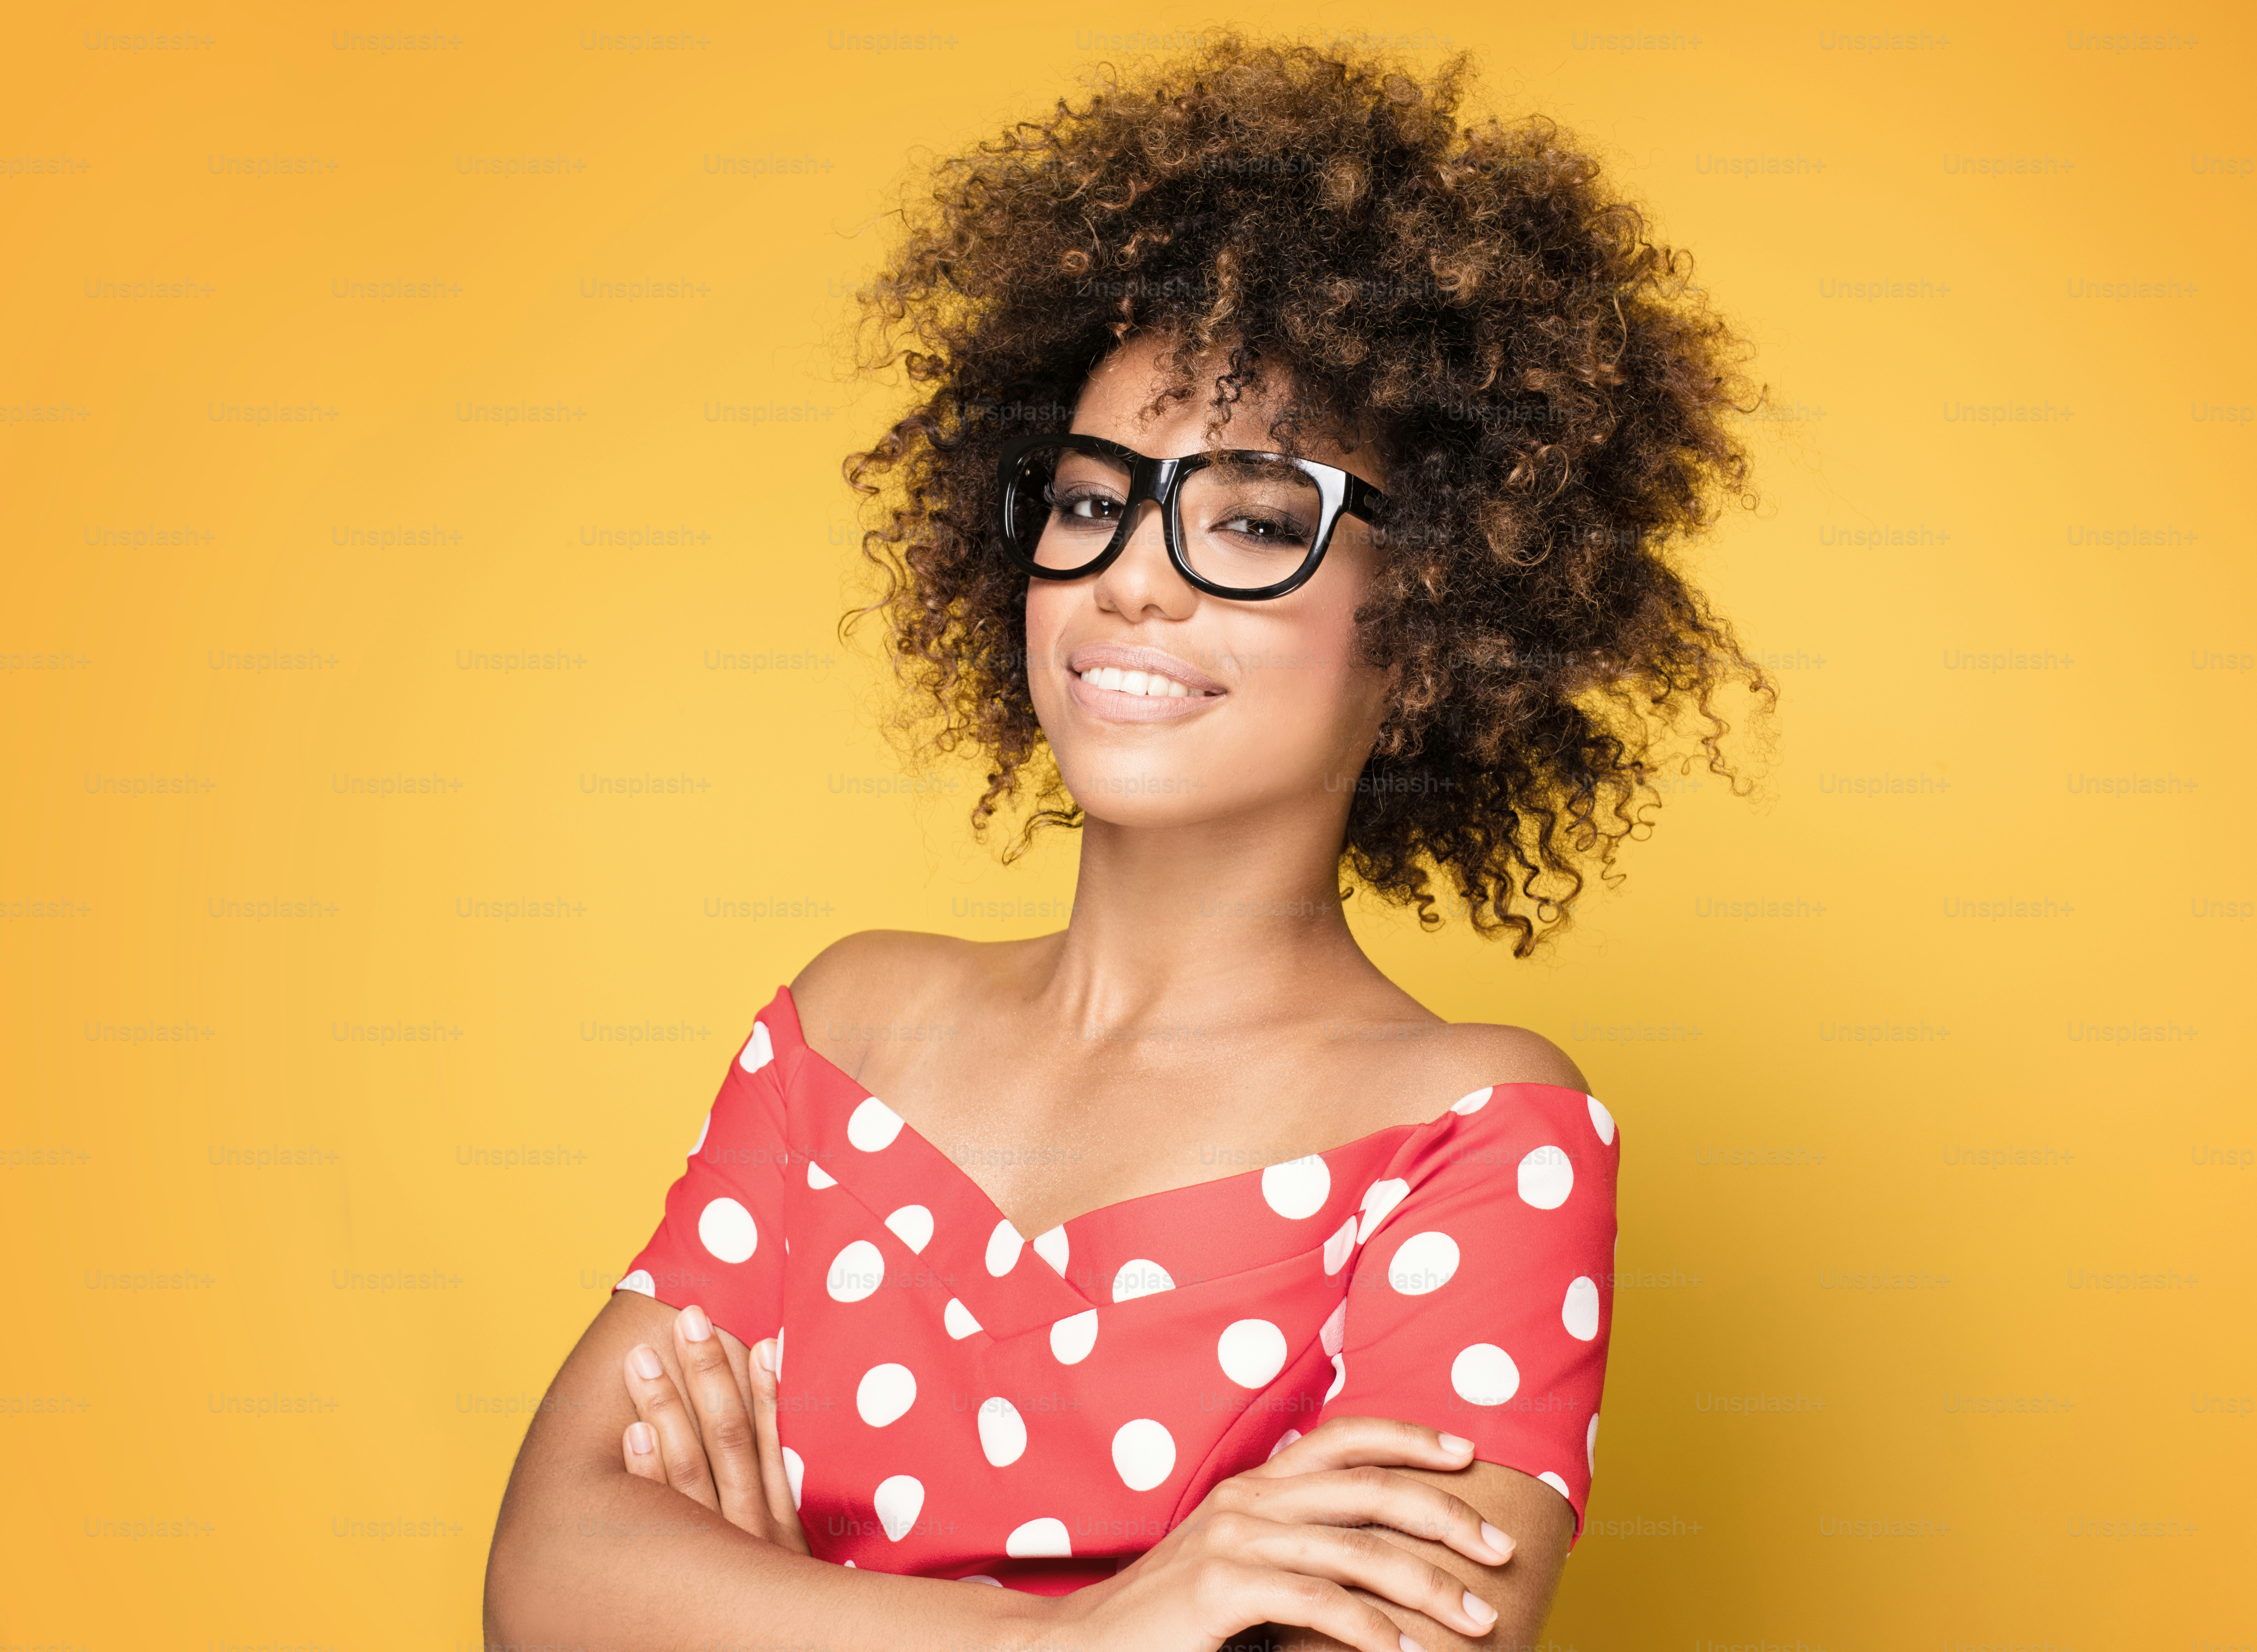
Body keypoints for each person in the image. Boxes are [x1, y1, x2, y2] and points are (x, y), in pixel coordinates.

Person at [486, 31, 1767, 1652]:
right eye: (1090, 502)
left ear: (1434, 622)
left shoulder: (1482, 1132)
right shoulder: (847, 1028)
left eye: (1245, 519)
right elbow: (550, 1584)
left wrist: (776, 1610)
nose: (1132, 579)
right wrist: (1088, 1636)